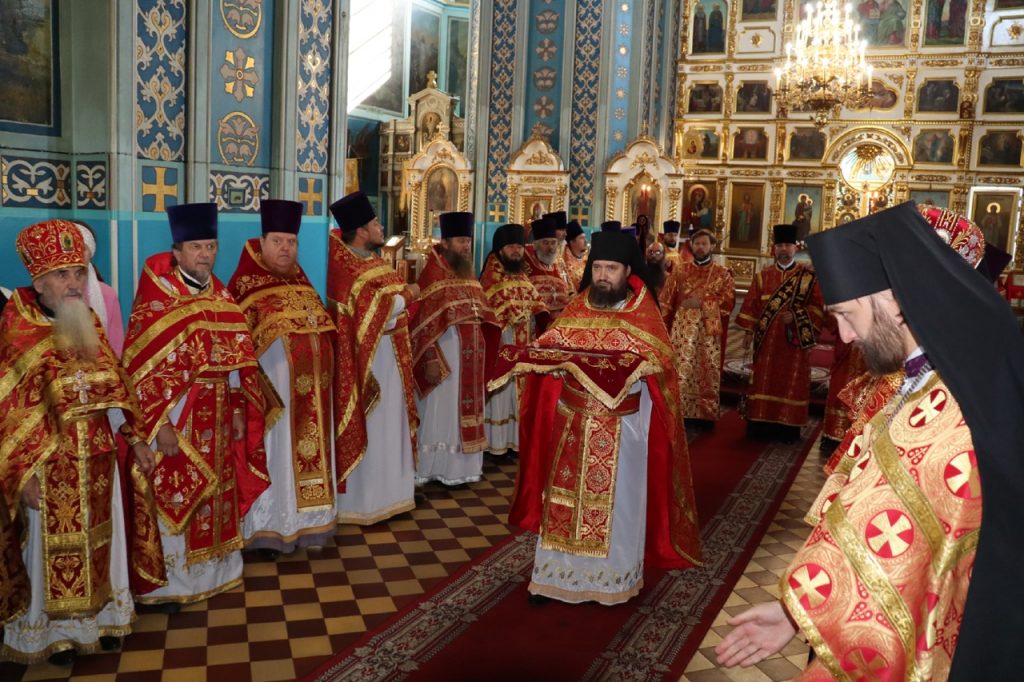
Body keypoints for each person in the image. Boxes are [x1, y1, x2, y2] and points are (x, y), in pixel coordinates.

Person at [718, 201, 1024, 681]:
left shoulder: (953, 408)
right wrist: (796, 613)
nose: (842, 334)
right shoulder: (939, 377)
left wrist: (804, 610)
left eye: (847, 313)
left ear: (896, 299)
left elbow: (897, 547)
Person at [491, 231, 702, 605]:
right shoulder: (579, 306)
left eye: (612, 269)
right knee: (561, 502)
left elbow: (661, 369)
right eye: (599, 267)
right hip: (571, 425)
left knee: (617, 509)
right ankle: (554, 579)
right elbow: (554, 342)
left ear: (627, 271)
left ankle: (610, 583)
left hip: (621, 430)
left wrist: (634, 372)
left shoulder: (644, 314)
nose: (603, 275)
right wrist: (541, 355)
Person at [0, 220, 163, 665]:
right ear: (40, 281)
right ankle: (52, 635)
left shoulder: (88, 320)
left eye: (78, 273)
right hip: (49, 466)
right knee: (50, 550)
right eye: (62, 275)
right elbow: (9, 415)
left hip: (99, 457)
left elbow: (115, 386)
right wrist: (21, 476)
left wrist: (136, 437)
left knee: (101, 542)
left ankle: (103, 620)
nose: (74, 283)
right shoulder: (18, 330)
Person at [124, 203, 270, 611]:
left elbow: (237, 360)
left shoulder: (221, 296)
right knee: (177, 493)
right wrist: (161, 426)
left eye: (210, 246)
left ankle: (218, 573)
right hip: (179, 418)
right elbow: (140, 372)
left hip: (220, 411)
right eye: (196, 247)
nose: (205, 254)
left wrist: (238, 409)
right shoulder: (158, 299)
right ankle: (172, 586)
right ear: (177, 251)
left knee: (218, 491)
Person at [228, 199, 338, 553]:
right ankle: (270, 528)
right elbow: (237, 349)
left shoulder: (304, 285)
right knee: (278, 460)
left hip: (314, 399)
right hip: (274, 402)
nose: (285, 249)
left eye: (291, 242)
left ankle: (311, 524)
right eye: (277, 241)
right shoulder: (245, 288)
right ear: (261, 242)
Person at [326, 191, 420, 523]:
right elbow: (375, 307)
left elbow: (387, 303)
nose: (382, 228)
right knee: (375, 425)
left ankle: (395, 495)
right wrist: (408, 295)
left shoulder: (375, 261)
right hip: (368, 364)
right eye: (377, 223)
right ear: (362, 230)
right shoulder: (343, 267)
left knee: (393, 427)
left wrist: (400, 301)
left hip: (393, 358)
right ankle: (365, 504)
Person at [410, 212, 500, 487]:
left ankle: (465, 469)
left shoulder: (468, 274)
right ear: (446, 242)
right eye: (461, 241)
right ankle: (434, 468)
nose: (466, 246)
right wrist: (429, 358)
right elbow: (421, 325)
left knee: (465, 411)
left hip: (471, 359)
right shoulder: (432, 274)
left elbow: (483, 312)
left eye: (468, 241)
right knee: (441, 413)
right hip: (445, 358)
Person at [736, 224, 823, 441]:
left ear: (795, 248)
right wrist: (748, 333)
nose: (784, 249)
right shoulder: (763, 276)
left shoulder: (807, 277)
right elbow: (752, 306)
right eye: (780, 245)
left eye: (788, 245)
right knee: (763, 378)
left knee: (791, 381)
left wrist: (797, 317)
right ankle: (759, 423)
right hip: (766, 342)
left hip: (794, 344)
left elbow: (818, 308)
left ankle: (788, 427)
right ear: (774, 249)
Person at [480, 224, 549, 460]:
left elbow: (536, 303)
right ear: (500, 250)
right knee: (502, 394)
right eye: (512, 247)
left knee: (521, 394)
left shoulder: (522, 275)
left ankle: (516, 443)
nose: (517, 251)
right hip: (502, 345)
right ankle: (496, 444)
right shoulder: (490, 277)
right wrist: (511, 315)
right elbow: (489, 309)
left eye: (520, 246)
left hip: (524, 344)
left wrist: (540, 315)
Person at [660, 229, 735, 426]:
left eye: (704, 243)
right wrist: (662, 327)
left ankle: (704, 414)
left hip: (707, 332)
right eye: (697, 243)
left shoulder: (722, 273)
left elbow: (728, 302)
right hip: (681, 332)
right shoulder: (680, 270)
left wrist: (703, 302)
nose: (700, 247)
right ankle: (679, 412)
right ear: (691, 246)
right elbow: (666, 300)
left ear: (712, 246)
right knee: (680, 371)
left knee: (707, 370)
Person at [70, 221, 126, 356]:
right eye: (70, 247)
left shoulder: (107, 294)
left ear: (91, 252)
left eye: (82, 248)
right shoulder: (49, 292)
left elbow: (116, 346)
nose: (76, 254)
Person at [524, 215, 574, 317]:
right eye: (545, 243)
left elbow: (570, 291)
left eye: (553, 243)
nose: (551, 248)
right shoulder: (526, 262)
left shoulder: (559, 262)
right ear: (535, 245)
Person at [562, 219, 588, 289]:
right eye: (581, 238)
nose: (586, 241)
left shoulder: (587, 260)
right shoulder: (564, 263)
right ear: (572, 242)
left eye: (585, 237)